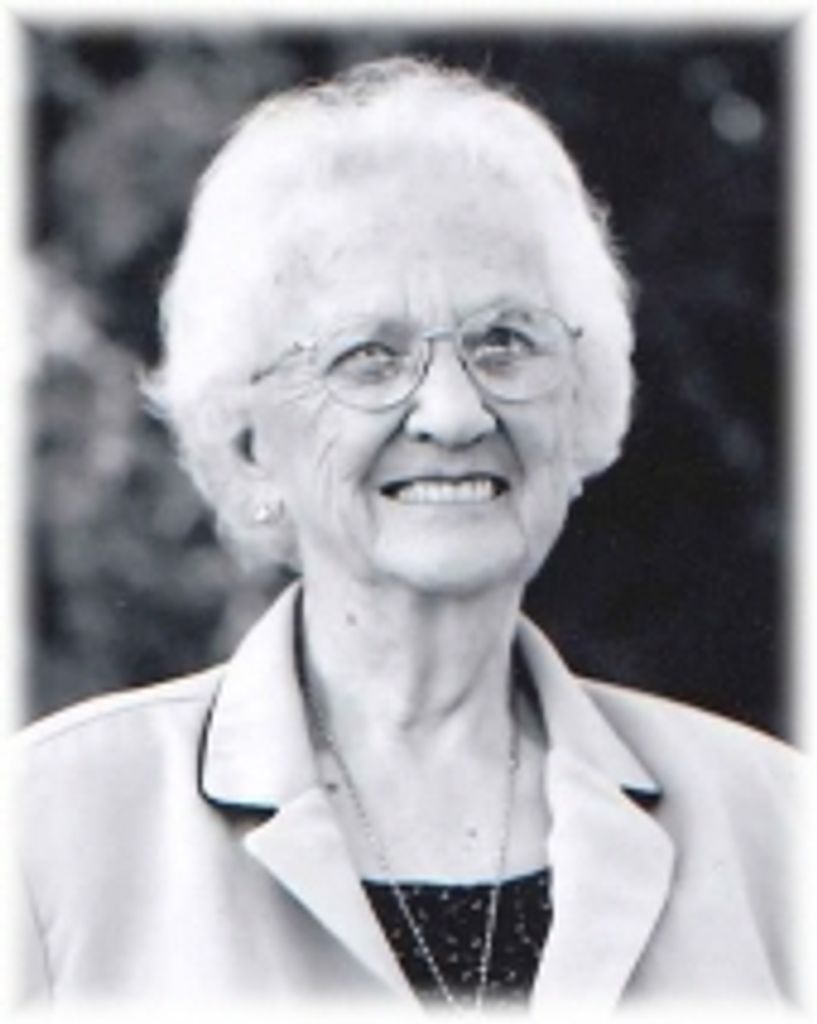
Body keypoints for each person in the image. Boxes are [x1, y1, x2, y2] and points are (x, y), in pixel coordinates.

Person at [13, 56, 801, 1013]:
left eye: (504, 341)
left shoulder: (776, 829)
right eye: (368, 357)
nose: (454, 413)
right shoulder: (48, 830)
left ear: (580, 403)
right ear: (251, 444)